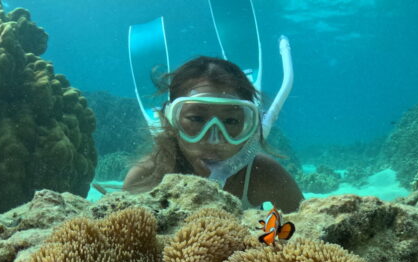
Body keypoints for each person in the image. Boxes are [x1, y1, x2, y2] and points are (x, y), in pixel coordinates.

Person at [123, 56, 303, 212]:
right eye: (196, 119)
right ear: (170, 121)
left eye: (230, 121)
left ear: (250, 126)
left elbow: (305, 227)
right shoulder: (147, 176)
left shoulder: (264, 175)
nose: (214, 140)